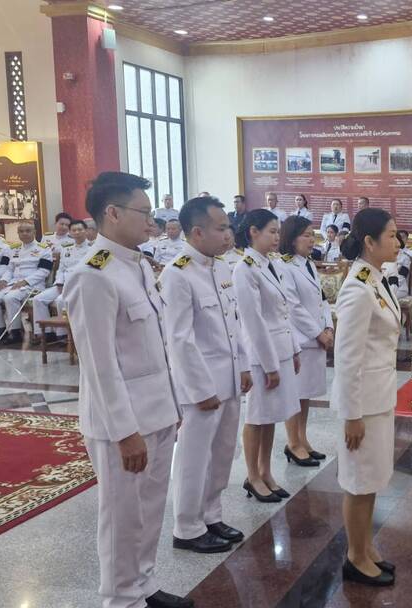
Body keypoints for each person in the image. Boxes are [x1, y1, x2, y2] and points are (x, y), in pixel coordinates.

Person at [65, 171, 190, 608]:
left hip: (156, 412)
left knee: (150, 509)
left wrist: (172, 405)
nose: (151, 222)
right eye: (144, 213)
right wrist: (124, 431)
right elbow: (100, 366)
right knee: (121, 517)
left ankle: (144, 585)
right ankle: (120, 599)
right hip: (124, 423)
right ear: (112, 213)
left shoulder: (135, 265)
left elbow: (154, 349)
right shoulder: (93, 275)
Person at [162, 196, 251, 554]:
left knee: (223, 452)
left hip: (228, 378)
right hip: (201, 386)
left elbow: (235, 322)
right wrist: (200, 390)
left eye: (228, 227)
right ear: (197, 232)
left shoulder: (222, 267)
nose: (228, 234)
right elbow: (179, 340)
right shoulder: (177, 274)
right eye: (221, 228)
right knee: (194, 457)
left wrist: (243, 365)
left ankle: (211, 514)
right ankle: (186, 527)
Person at [332, 208, 401, 586]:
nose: (397, 242)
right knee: (358, 481)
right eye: (390, 236)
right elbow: (347, 358)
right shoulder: (357, 288)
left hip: (379, 396)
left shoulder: (374, 277)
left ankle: (365, 545)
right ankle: (355, 557)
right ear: (369, 242)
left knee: (371, 477)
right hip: (363, 404)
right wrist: (352, 414)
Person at [233, 209, 301, 503]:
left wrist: (295, 349)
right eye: (271, 231)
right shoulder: (244, 268)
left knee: (272, 415)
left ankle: (266, 471)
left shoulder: (270, 264)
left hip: (281, 348)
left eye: (278, 231)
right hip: (262, 355)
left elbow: (285, 312)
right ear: (253, 232)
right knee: (257, 416)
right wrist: (271, 366)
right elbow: (253, 322)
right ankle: (252, 475)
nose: (277, 237)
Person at [277, 216, 333, 467]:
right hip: (302, 339)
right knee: (295, 394)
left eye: (313, 235)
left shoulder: (308, 264)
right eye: (306, 235)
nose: (312, 240)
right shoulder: (285, 266)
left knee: (306, 394)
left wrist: (329, 326)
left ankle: (303, 439)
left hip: (317, 337)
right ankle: (293, 443)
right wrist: (317, 333)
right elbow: (294, 306)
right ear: (291, 238)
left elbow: (322, 299)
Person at [0, 220, 53, 346]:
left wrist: (25, 281)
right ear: (18, 233)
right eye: (21, 231)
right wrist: (3, 280)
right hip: (13, 283)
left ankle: (15, 332)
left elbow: (44, 271)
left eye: (28, 231)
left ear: (34, 232)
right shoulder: (13, 249)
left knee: (11, 298)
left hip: (33, 284)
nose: (24, 234)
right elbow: (9, 269)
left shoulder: (43, 249)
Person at [32, 219, 89, 344]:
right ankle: (46, 333)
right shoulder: (66, 249)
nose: (77, 232)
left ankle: (63, 335)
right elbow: (61, 268)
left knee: (60, 300)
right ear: (70, 233)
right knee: (38, 299)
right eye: (74, 230)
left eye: (80, 229)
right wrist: (59, 282)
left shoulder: (93, 248)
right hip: (62, 283)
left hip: (79, 284)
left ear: (86, 231)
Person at [390, 230, 412, 299]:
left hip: (399, 289)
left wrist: (389, 290)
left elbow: (401, 277)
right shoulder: (384, 255)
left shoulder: (405, 257)